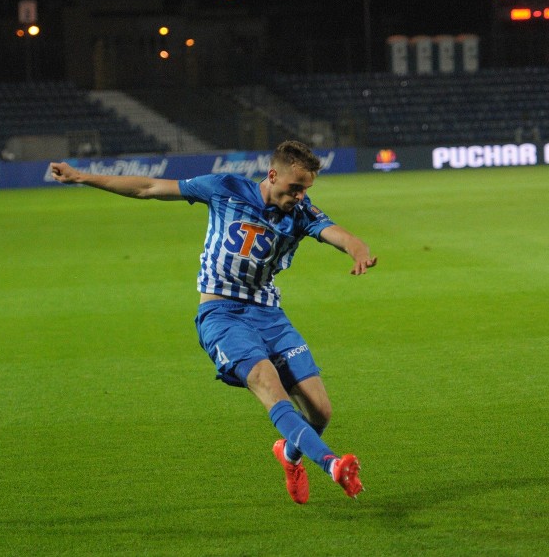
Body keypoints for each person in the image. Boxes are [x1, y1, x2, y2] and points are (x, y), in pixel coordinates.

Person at [50, 140, 377, 504]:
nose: (300, 196)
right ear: (272, 176)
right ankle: (333, 465)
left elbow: (342, 236)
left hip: (269, 314)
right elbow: (149, 188)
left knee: (320, 411)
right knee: (267, 382)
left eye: (306, 190)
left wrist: (359, 250)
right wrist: (81, 176)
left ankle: (288, 455)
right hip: (221, 315)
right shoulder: (226, 188)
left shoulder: (300, 213)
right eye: (295, 188)